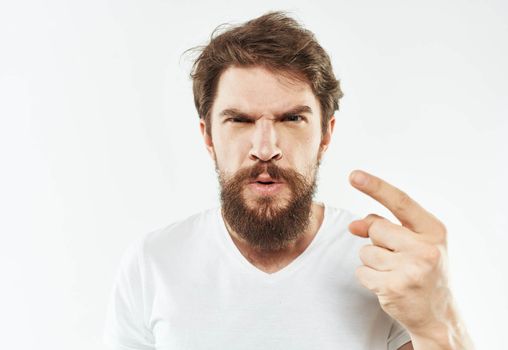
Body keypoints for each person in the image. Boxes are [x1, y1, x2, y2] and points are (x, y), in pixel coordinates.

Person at [103, 11, 473, 350]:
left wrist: (436, 325)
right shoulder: (152, 264)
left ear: (325, 134)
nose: (265, 148)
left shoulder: (385, 267)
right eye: (240, 120)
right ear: (208, 137)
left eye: (291, 119)